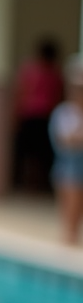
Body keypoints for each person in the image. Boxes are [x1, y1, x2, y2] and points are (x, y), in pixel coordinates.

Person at [13, 39, 64, 193]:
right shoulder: (55, 73)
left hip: (31, 116)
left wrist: (15, 115)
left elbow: (20, 93)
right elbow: (58, 96)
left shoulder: (30, 70)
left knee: (30, 153)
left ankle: (26, 182)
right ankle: (38, 184)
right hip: (43, 117)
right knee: (41, 153)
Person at [49, 59, 83, 246]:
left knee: (78, 205)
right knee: (68, 202)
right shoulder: (63, 112)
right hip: (66, 166)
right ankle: (68, 236)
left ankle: (72, 236)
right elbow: (64, 140)